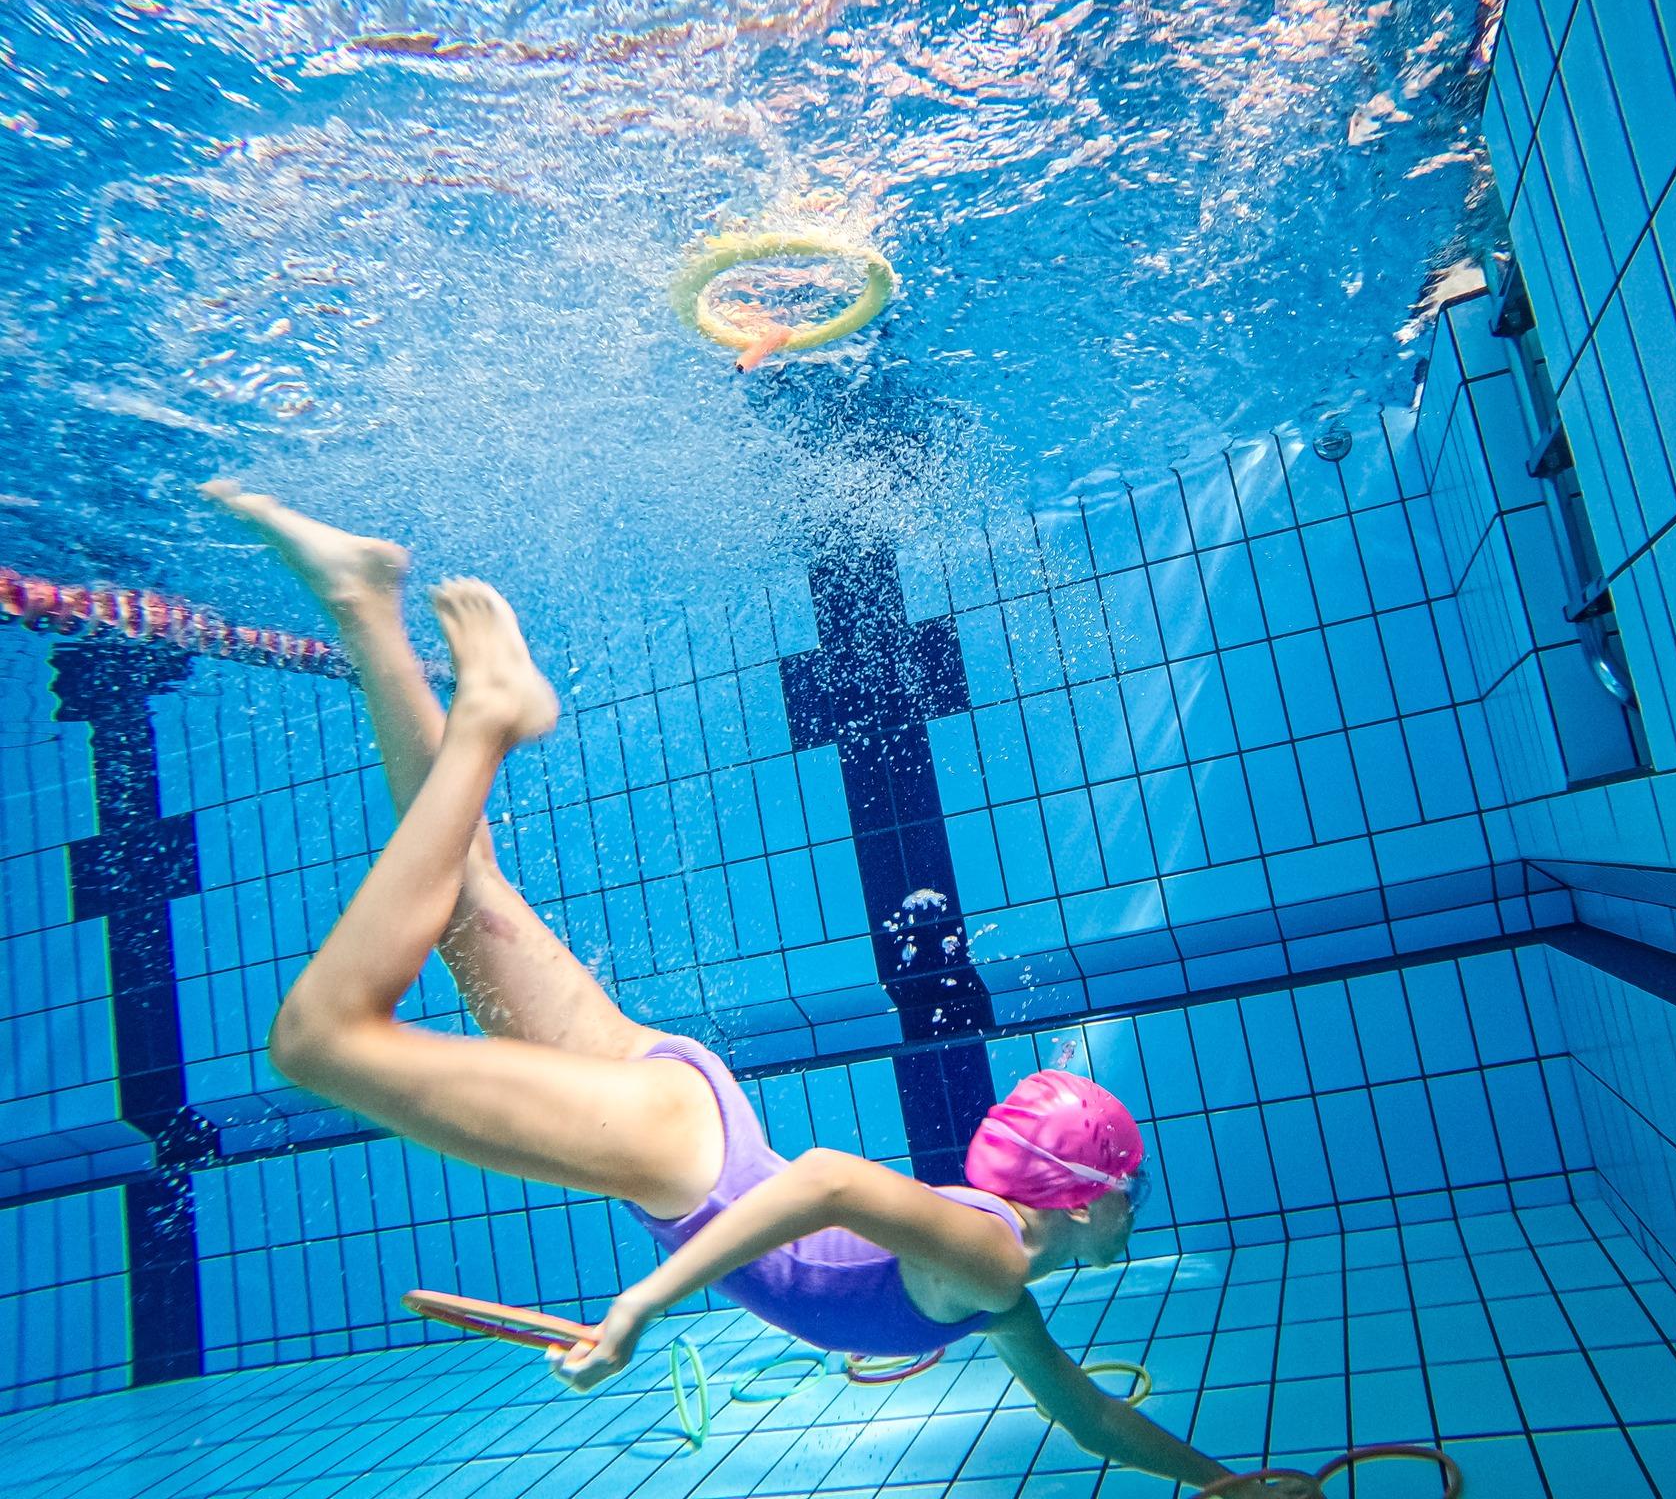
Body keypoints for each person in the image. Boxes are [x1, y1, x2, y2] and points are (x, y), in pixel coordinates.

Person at [199, 482, 1253, 1492]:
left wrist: (1222, 1482)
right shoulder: (988, 1255)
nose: (1134, 1213)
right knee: (318, 1041)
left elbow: (1086, 1415)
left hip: (686, 1126)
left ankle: (363, 603)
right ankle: (487, 716)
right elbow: (826, 1181)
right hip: (678, 1156)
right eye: (1133, 1191)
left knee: (465, 887)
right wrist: (644, 1307)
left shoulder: (997, 1287)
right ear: (1090, 1194)